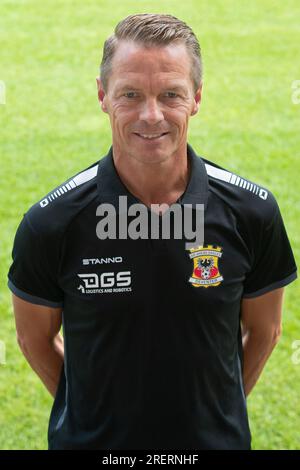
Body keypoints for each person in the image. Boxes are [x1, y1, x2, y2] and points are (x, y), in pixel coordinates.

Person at [7, 13, 297, 450]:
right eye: (130, 94)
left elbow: (265, 331)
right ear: (103, 96)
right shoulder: (52, 222)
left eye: (170, 95)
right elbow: (34, 337)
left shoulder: (252, 212)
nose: (151, 115)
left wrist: (215, 411)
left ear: (196, 98)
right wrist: (93, 411)